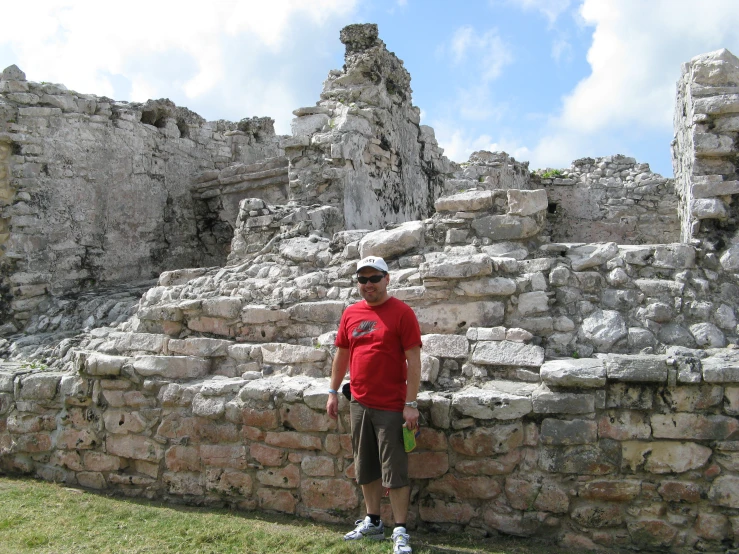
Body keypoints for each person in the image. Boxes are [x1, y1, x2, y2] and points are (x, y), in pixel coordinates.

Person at [326, 255, 422, 554]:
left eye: (374, 278)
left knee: (395, 471)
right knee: (365, 465)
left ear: (387, 279)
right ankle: (373, 521)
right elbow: (342, 354)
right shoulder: (351, 313)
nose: (368, 285)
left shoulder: (402, 313)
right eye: (363, 279)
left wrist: (411, 402)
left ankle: (400, 529)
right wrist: (332, 391)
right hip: (359, 402)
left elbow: (414, 362)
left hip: (392, 405)